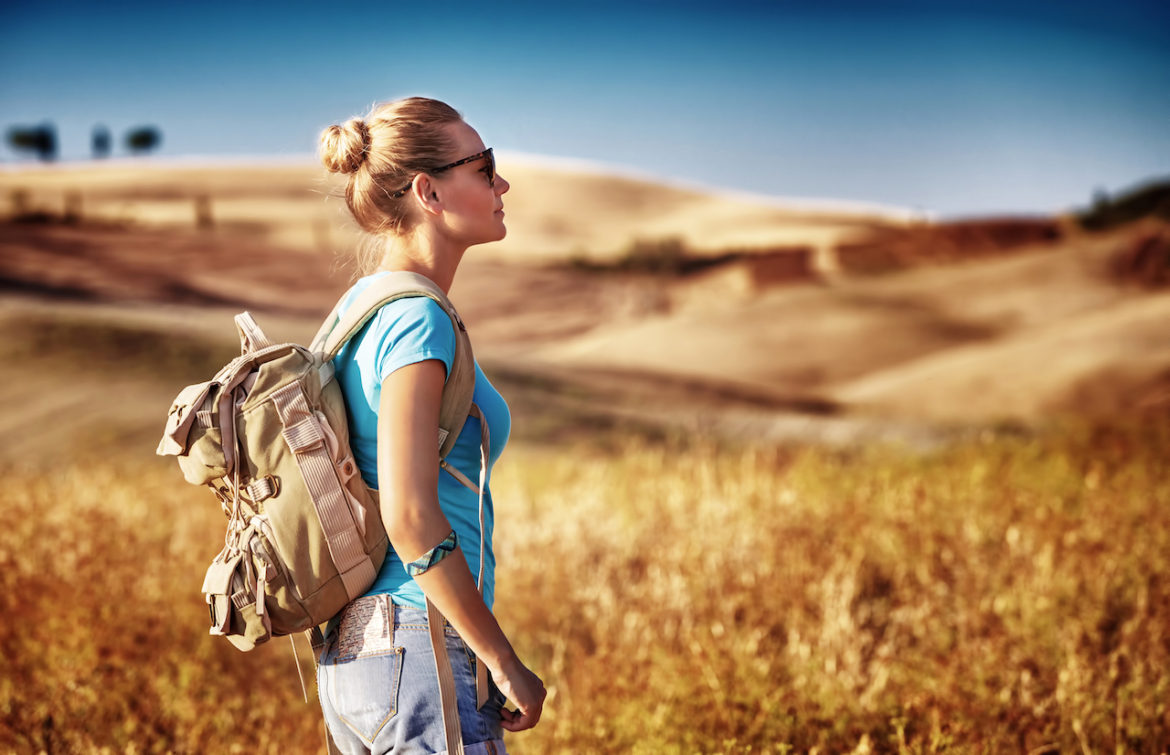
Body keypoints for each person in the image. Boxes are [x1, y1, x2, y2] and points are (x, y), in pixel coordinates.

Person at [315, 97, 545, 754]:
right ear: (430, 190)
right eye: (486, 167)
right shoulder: (420, 320)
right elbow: (412, 515)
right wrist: (500, 657)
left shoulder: (359, 310)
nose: (502, 185)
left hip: (353, 660)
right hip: (421, 650)